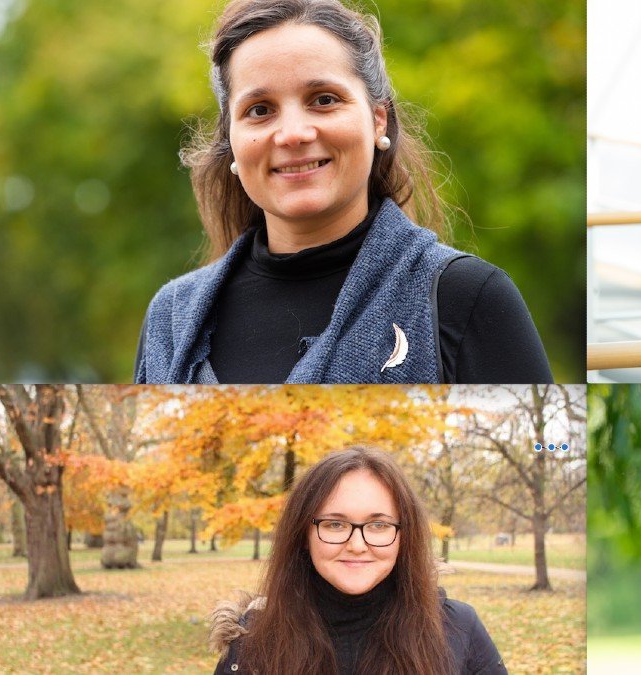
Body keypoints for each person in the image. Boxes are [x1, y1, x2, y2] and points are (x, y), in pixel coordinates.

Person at [135, 0, 552, 384]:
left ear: (378, 121)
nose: (294, 134)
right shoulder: (170, 318)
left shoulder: (467, 297)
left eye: (323, 99)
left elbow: (551, 451)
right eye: (260, 110)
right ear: (231, 139)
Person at [209, 446, 507, 674]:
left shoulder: (456, 627)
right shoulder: (253, 638)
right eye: (334, 525)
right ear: (303, 534)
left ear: (405, 536)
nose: (357, 544)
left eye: (378, 526)